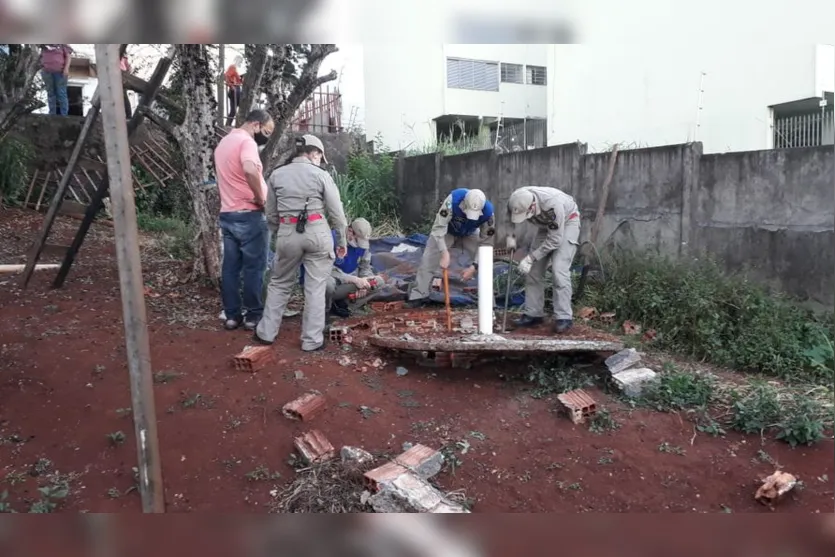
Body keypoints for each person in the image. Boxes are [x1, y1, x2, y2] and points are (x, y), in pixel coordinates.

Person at [255, 134, 349, 351]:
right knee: (315, 287)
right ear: (314, 153)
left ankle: (266, 333)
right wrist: (341, 240)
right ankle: (311, 341)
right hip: (317, 233)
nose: (320, 161)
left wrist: (282, 231)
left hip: (288, 233)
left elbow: (270, 213)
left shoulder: (277, 175)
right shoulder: (321, 175)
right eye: (320, 156)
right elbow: (337, 214)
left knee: (279, 283)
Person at [214, 109, 275, 331]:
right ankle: (253, 316)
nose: (266, 137)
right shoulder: (246, 142)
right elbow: (249, 168)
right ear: (256, 125)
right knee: (254, 267)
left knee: (230, 267)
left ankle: (231, 315)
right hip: (249, 213)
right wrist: (260, 199)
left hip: (227, 213)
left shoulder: (224, 143)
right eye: (266, 131)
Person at [505, 186, 581, 334]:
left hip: (567, 222)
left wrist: (530, 257)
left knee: (559, 270)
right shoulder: (516, 200)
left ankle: (564, 317)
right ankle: (533, 315)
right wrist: (510, 240)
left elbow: (555, 240)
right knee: (533, 271)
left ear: (532, 207)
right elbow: (509, 221)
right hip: (546, 225)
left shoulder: (553, 205)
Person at [407, 188, 495, 308]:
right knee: (429, 258)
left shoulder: (489, 213)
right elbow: (438, 228)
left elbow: (487, 243)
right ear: (464, 203)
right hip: (447, 230)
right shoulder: (452, 201)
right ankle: (419, 294)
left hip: (470, 233)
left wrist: (474, 266)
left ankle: (488, 301)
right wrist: (444, 252)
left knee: (485, 260)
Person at [302, 217, 385, 319]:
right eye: (358, 241)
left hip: (345, 284)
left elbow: (365, 267)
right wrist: (354, 279)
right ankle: (323, 313)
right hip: (325, 281)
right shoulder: (328, 240)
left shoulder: (362, 246)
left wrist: (365, 284)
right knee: (328, 284)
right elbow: (323, 269)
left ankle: (343, 308)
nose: (359, 245)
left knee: (378, 282)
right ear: (350, 232)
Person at [40, 44, 73, 116]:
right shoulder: (44, 45)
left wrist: (66, 69)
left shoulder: (63, 44)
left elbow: (68, 56)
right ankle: (52, 113)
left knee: (61, 93)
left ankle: (64, 114)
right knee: (50, 93)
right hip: (47, 72)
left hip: (60, 73)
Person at [225, 56, 243, 125]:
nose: (240, 63)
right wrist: (231, 86)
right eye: (240, 61)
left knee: (233, 110)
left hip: (236, 89)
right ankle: (233, 124)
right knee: (243, 105)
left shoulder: (236, 69)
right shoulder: (233, 67)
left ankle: (228, 124)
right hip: (234, 89)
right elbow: (227, 76)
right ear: (237, 60)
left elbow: (239, 80)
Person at [120, 54, 132, 119]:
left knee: (124, 97)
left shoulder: (123, 58)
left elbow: (128, 69)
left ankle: (128, 116)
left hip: (122, 77)